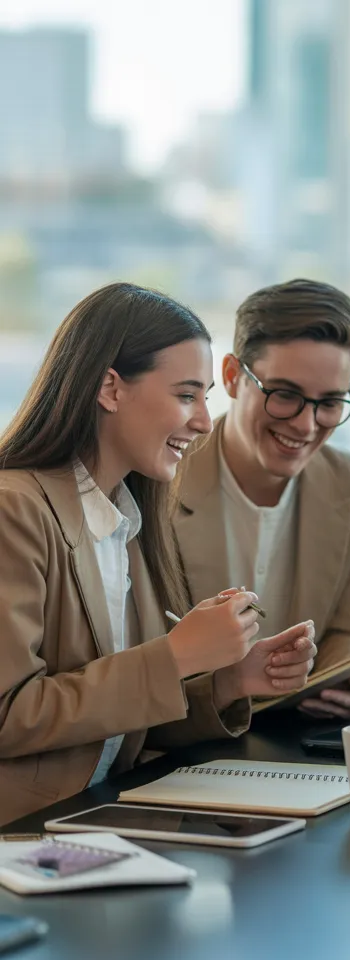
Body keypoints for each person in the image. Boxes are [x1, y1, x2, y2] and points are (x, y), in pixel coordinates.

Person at [0, 283, 318, 826]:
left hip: (97, 815)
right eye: (186, 395)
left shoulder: (127, 519)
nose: (203, 421)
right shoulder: (15, 510)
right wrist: (176, 657)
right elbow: (10, 717)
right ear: (110, 388)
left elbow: (120, 719)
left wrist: (230, 679)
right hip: (26, 836)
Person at [174, 279, 350, 719]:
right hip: (174, 744)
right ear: (233, 377)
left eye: (330, 402)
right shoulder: (162, 479)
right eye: (286, 395)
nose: (307, 425)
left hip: (299, 741)